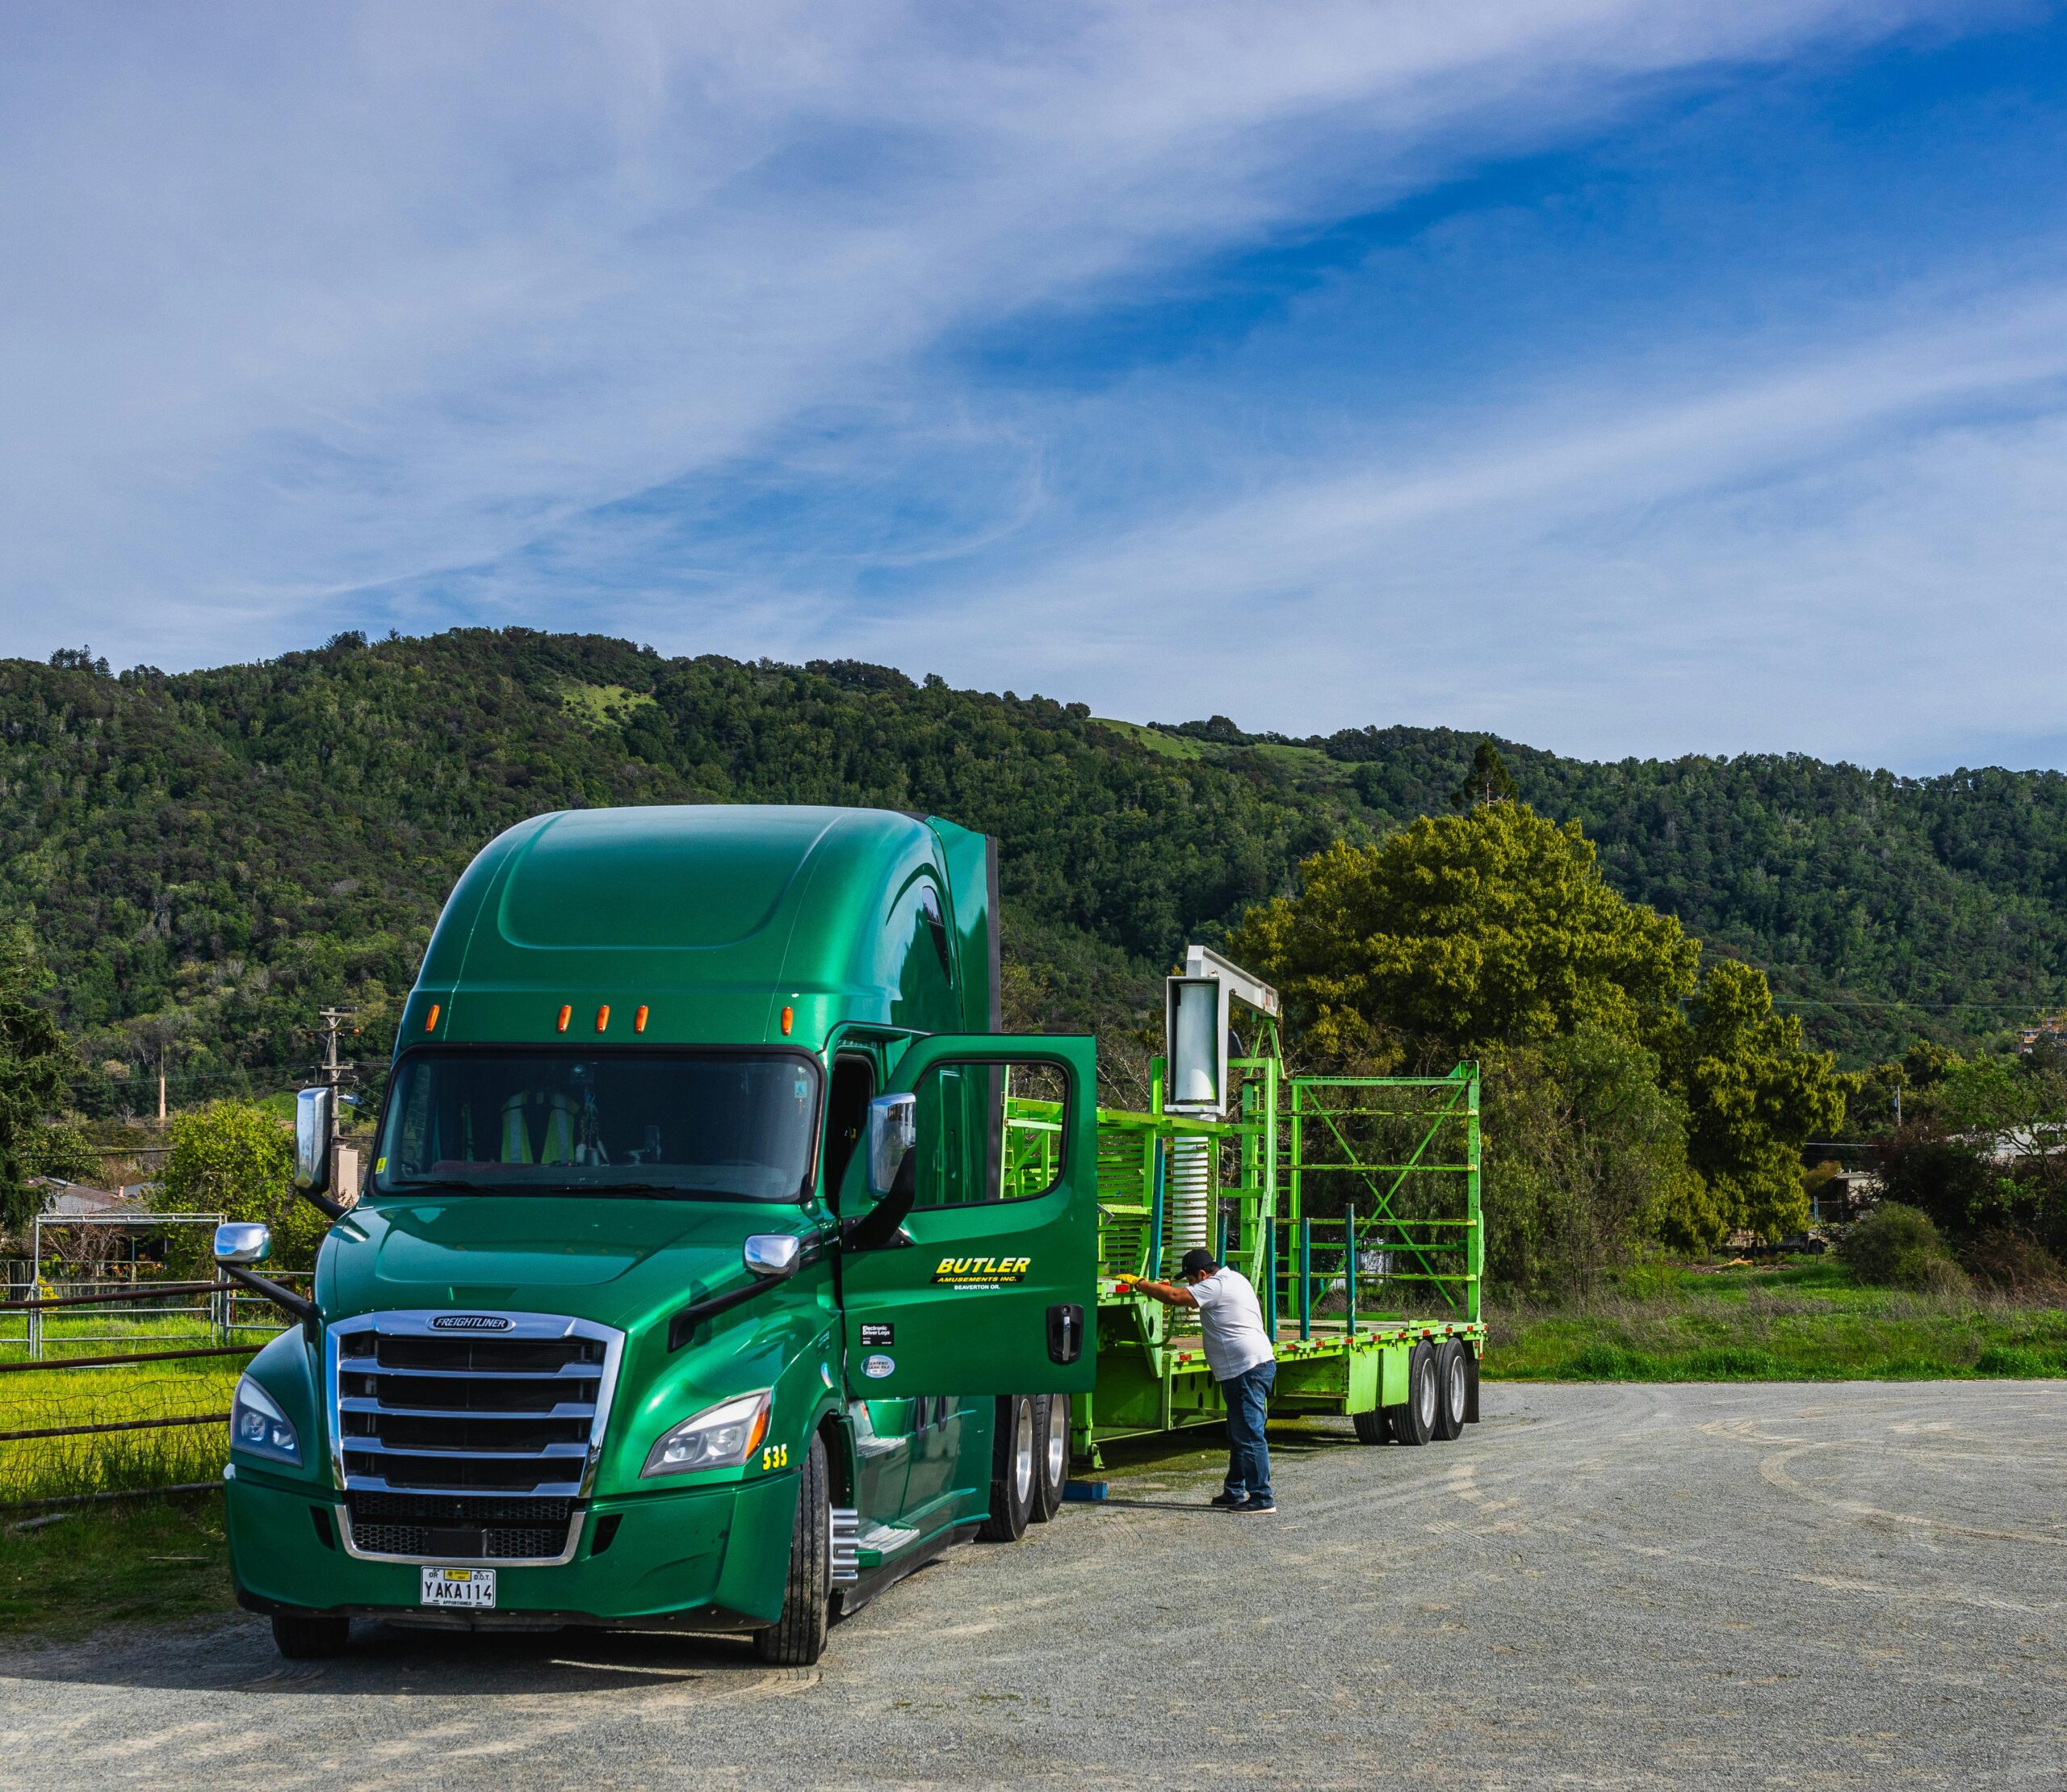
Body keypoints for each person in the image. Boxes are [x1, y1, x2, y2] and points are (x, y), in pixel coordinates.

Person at [1130, 1247, 1277, 1513]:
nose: (1189, 1285)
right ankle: (1234, 1491)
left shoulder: (1216, 1285)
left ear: (1201, 1274)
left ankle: (1262, 1498)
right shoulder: (1236, 1279)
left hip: (1246, 1369)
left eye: (1190, 1280)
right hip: (1252, 1365)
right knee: (1239, 1433)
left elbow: (1175, 1297)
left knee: (1249, 1435)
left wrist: (1141, 1284)